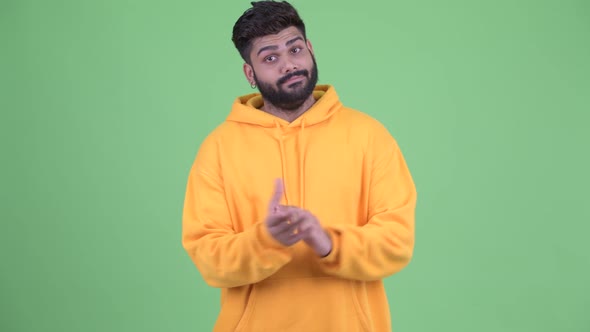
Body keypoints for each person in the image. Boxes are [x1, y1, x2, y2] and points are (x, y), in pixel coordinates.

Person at [181, 1, 417, 331]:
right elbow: (209, 258)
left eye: (295, 49)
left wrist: (328, 242)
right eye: (270, 57)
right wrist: (266, 240)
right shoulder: (218, 148)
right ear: (250, 73)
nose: (289, 64)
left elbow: (397, 242)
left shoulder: (369, 136)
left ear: (310, 48)